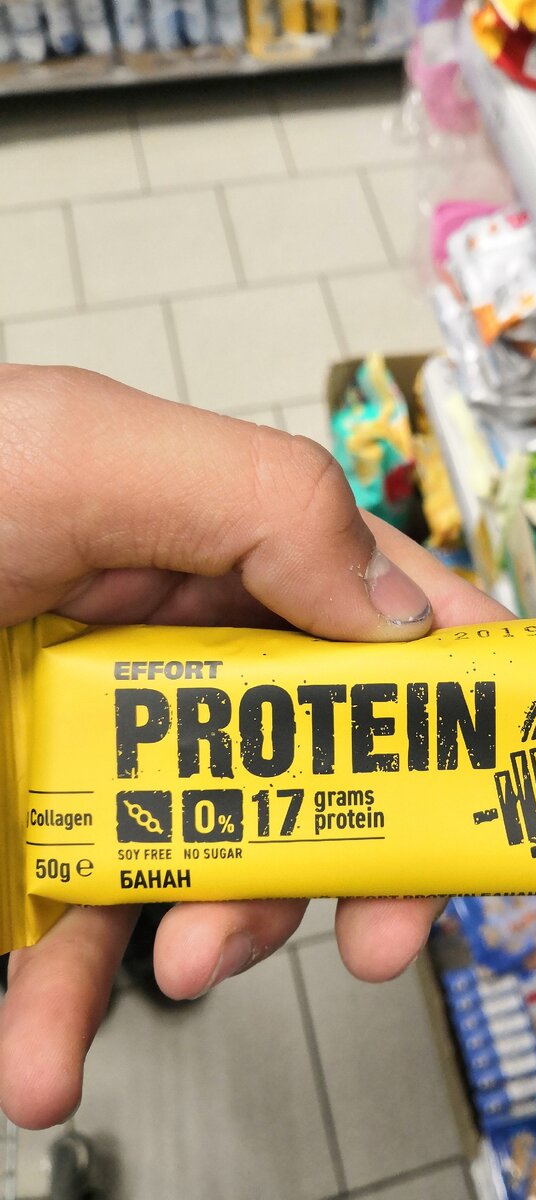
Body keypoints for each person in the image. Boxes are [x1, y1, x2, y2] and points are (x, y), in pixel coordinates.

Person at [0, 362, 509, 1133]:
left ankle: (142, 936)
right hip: (109, 841)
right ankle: (141, 937)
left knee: (150, 937)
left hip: (130, 835)